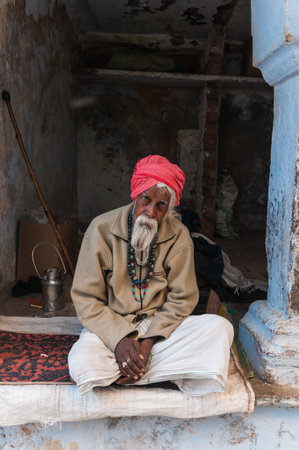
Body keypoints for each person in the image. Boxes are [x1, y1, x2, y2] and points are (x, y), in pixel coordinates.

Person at [68, 155, 233, 396]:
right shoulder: (101, 229)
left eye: (161, 205)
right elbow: (86, 299)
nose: (150, 211)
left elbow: (182, 299)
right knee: (84, 363)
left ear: (169, 207)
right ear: (136, 195)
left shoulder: (179, 236)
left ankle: (132, 370)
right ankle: (157, 373)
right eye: (146, 199)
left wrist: (147, 344)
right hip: (112, 324)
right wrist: (120, 340)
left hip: (160, 330)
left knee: (220, 328)